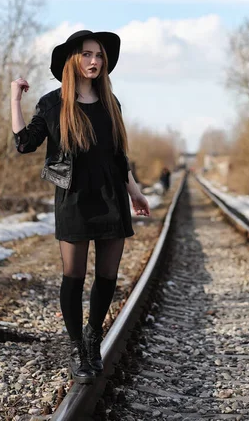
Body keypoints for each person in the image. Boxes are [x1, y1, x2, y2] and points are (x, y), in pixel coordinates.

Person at [10, 30, 150, 384]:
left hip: (111, 199)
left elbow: (118, 157)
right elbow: (24, 144)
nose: (94, 61)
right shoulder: (53, 103)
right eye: (87, 54)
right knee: (73, 276)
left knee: (106, 276)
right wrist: (15, 100)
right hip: (73, 199)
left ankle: (92, 338)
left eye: (99, 56)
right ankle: (78, 347)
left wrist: (135, 191)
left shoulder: (110, 104)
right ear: (74, 59)